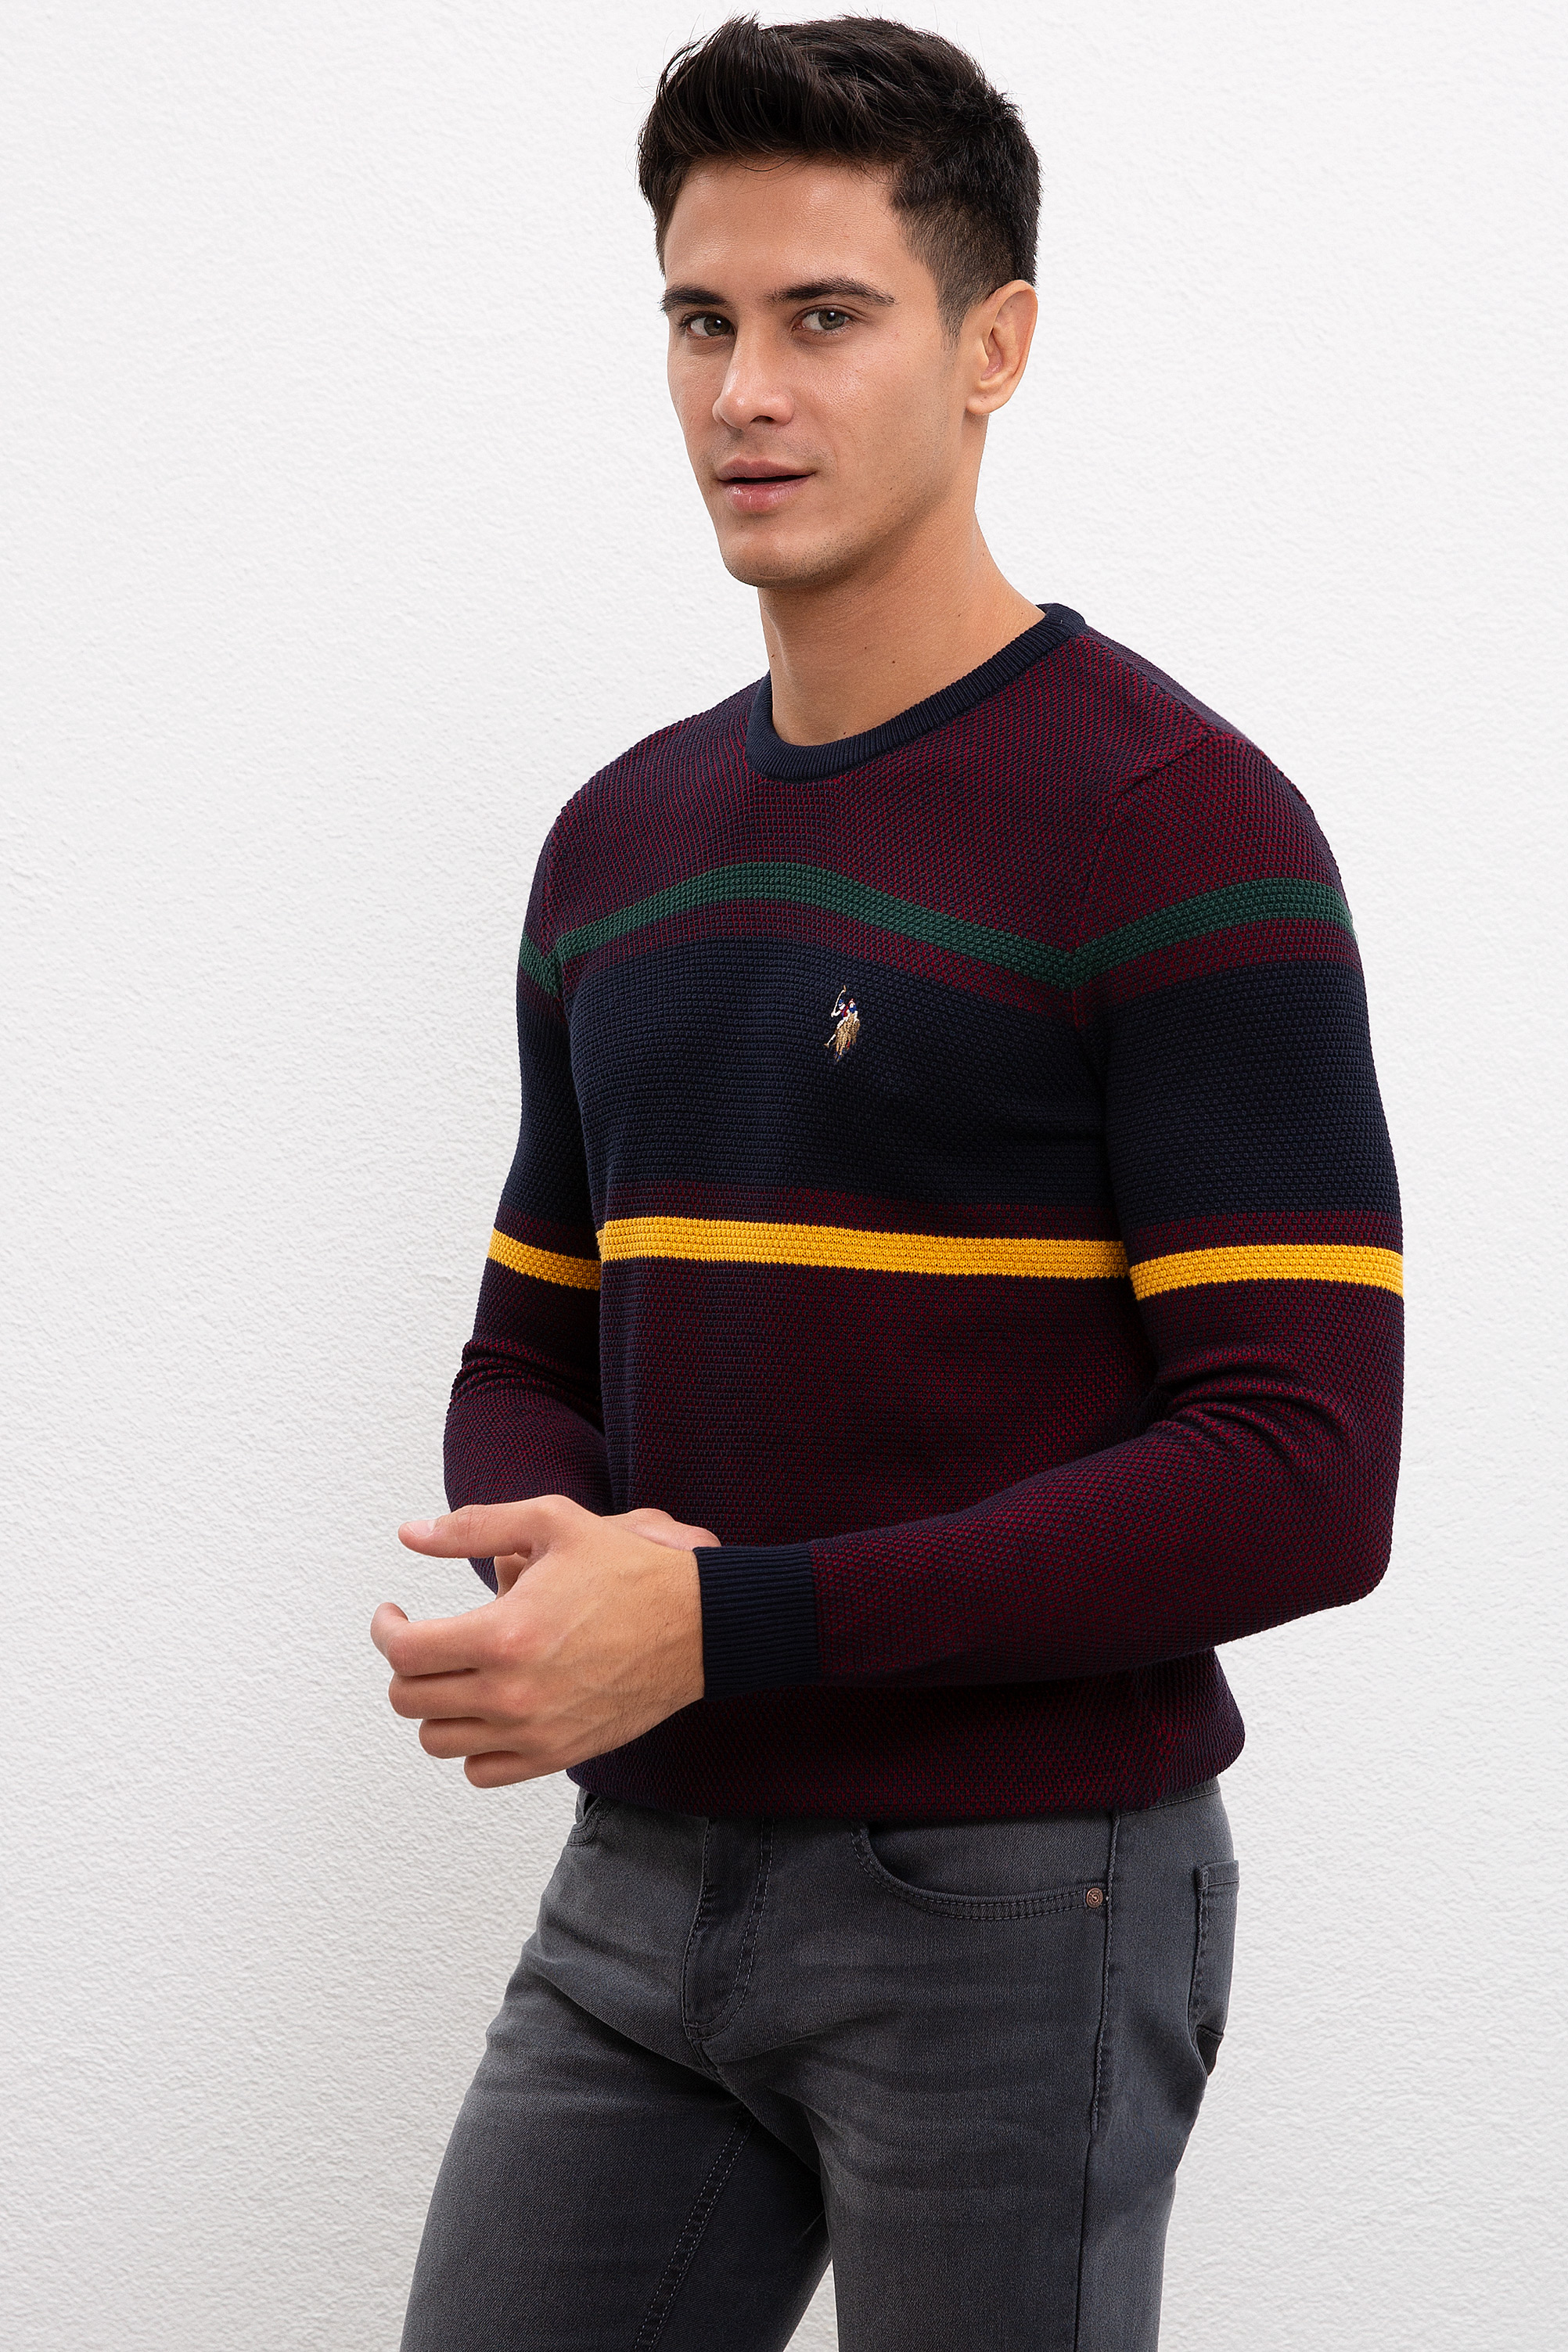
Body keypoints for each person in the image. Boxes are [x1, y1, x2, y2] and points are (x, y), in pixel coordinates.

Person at [372, 17, 1403, 2349]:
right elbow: (535, 1334)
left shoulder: (1174, 826)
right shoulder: (618, 840)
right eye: (700, 319)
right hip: (644, 1876)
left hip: (1021, 1900)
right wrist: (551, 1561)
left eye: (824, 317)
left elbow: (1302, 1476)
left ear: (991, 346)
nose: (746, 392)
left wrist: (719, 1623)